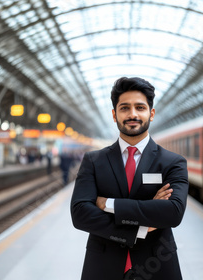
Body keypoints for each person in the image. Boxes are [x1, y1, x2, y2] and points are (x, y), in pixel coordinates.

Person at [71, 77, 189, 280]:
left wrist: (108, 204)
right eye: (124, 108)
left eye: (140, 107)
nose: (132, 114)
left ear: (151, 114)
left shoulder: (173, 162)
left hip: (158, 266)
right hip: (103, 268)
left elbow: (173, 213)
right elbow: (80, 214)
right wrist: (139, 228)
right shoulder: (93, 160)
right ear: (114, 114)